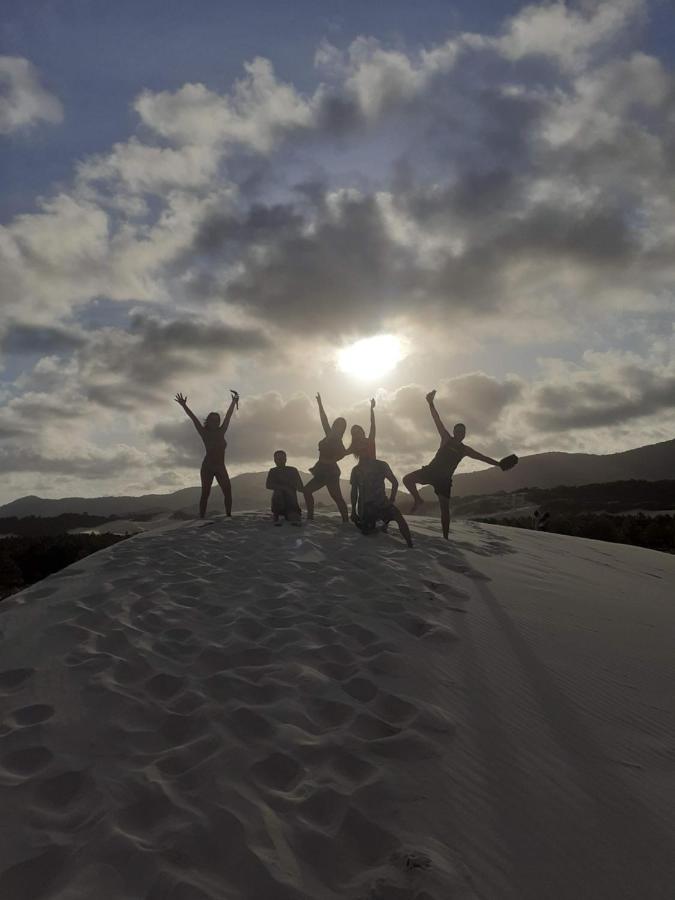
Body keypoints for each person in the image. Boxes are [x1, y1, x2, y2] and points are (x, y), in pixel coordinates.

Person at [403, 389, 517, 539]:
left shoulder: (465, 450)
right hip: (431, 471)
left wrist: (498, 464)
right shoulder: (446, 438)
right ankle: (418, 499)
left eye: (462, 432)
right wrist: (431, 403)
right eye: (458, 430)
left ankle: (445, 538)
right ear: (454, 432)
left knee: (445, 509)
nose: (459, 433)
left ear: (464, 435)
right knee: (406, 479)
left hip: (444, 480)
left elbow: (482, 457)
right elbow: (437, 420)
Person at [175, 390, 239, 518]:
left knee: (227, 491)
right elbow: (193, 418)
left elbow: (228, 415)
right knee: (205, 493)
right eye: (212, 420)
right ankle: (201, 517)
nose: (215, 422)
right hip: (208, 467)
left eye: (217, 420)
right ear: (208, 421)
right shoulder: (204, 433)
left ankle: (229, 516)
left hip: (220, 466)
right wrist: (184, 405)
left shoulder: (222, 431)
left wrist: (233, 402)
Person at [303, 393, 349, 522]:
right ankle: (310, 517)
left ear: (343, 429)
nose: (338, 426)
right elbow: (324, 419)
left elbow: (343, 453)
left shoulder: (338, 441)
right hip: (321, 470)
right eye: (337, 423)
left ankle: (346, 520)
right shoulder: (329, 434)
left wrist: (332, 460)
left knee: (336, 497)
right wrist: (320, 404)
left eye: (341, 425)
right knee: (307, 491)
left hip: (331, 472)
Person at [350, 457, 413, 547]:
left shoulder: (380, 465)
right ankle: (381, 526)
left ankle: (410, 544)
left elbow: (394, 482)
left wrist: (391, 499)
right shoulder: (356, 470)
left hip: (379, 504)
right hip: (369, 508)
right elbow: (354, 492)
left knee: (400, 520)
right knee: (368, 532)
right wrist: (353, 511)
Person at [266, 450, 304, 526]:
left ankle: (287, 515)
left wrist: (292, 486)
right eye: (277, 459)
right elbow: (268, 485)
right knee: (278, 492)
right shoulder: (273, 471)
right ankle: (277, 515)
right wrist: (284, 487)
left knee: (295, 521)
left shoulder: (293, 470)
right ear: (274, 460)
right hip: (278, 505)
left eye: (281, 458)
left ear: (285, 459)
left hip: (292, 505)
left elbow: (300, 487)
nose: (279, 461)